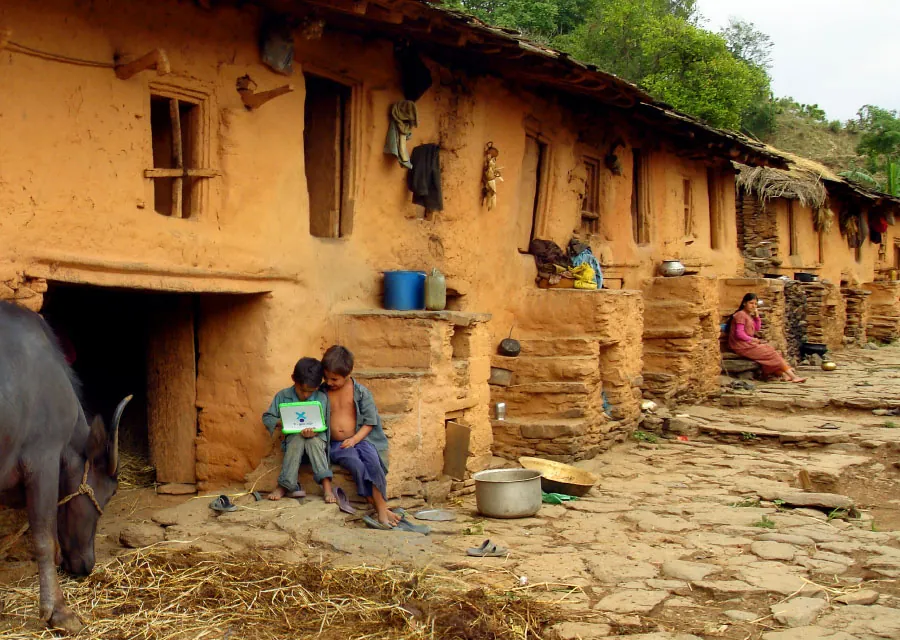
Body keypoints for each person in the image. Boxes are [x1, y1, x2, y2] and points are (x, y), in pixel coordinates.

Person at [321, 345, 399, 527]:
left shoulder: (361, 392)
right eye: (327, 377)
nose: (330, 382)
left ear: (348, 374)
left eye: (335, 379)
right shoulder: (322, 393)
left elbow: (370, 422)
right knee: (355, 463)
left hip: (361, 439)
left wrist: (355, 439)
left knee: (373, 462)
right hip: (336, 445)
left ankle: (381, 508)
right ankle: (379, 506)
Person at [262, 357, 335, 502]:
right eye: (302, 390)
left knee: (312, 440)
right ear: (293, 380)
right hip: (292, 444)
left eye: (311, 391)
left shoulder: (321, 397)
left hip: (316, 442)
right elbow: (267, 417)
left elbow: (325, 424)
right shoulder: (283, 396)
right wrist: (280, 422)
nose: (306, 395)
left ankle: (327, 487)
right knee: (297, 437)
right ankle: (286, 484)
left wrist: (316, 431)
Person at [727, 293, 806, 383]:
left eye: (755, 304)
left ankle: (783, 374)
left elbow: (757, 328)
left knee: (770, 350)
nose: (753, 306)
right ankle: (793, 376)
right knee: (771, 354)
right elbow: (739, 333)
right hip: (740, 345)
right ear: (744, 303)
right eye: (751, 303)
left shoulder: (748, 315)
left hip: (748, 344)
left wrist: (757, 317)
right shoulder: (740, 315)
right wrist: (752, 339)